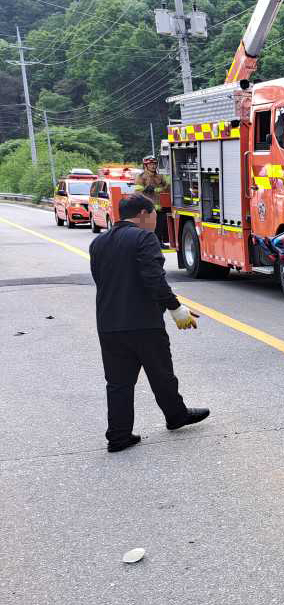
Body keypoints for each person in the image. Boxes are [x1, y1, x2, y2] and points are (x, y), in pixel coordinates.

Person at [89, 193, 209, 453]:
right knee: (161, 373)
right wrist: (175, 308)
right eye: (155, 214)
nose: (157, 219)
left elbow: (101, 280)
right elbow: (154, 278)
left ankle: (119, 436)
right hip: (143, 322)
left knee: (118, 383)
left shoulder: (98, 242)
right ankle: (176, 416)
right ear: (143, 213)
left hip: (109, 323)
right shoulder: (144, 238)